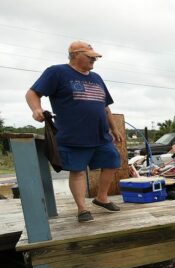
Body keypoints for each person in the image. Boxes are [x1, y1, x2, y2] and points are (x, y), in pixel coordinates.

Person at [25, 40, 124, 223]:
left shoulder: (97, 78)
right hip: (73, 135)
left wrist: (114, 128)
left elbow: (105, 107)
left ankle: (101, 198)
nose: (94, 61)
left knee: (112, 161)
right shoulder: (57, 72)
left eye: (95, 57)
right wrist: (36, 109)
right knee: (77, 171)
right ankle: (82, 209)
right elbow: (32, 93)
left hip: (100, 135)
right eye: (90, 57)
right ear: (75, 54)